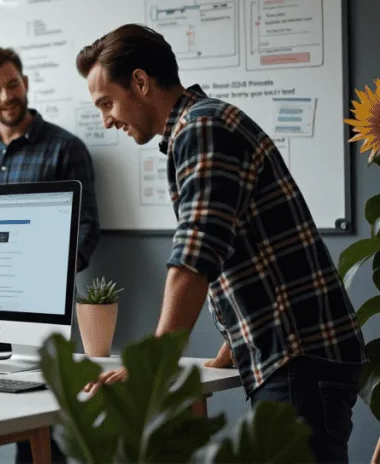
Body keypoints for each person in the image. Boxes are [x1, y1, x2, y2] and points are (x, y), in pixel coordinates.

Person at [77, 24, 365, 463]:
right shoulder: (201, 126)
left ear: (140, 81)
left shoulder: (202, 127)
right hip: (299, 354)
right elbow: (245, 245)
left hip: (299, 357)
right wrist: (230, 348)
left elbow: (194, 257)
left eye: (107, 103)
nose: (107, 120)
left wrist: (149, 366)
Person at [0, 46, 101, 464]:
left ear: (25, 83)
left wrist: (55, 271)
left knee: (38, 420)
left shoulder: (66, 147)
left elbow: (87, 227)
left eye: (13, 84)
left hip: (38, 306)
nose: (7, 96)